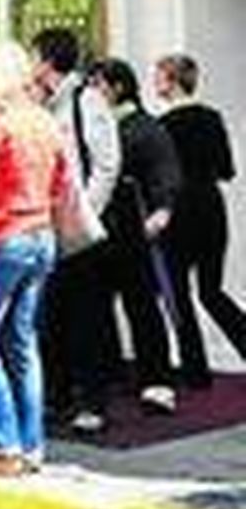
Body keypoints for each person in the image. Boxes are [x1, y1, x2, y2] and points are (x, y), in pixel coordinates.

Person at [0, 39, 70, 476]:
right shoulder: (45, 120)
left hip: (4, 237)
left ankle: (6, 446)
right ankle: (32, 445)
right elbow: (62, 181)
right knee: (22, 343)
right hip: (41, 235)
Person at [32, 27, 122, 436]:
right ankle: (57, 395)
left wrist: (85, 213)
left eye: (35, 56)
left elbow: (107, 164)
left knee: (89, 316)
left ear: (48, 60)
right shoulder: (43, 106)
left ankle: (93, 400)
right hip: (48, 226)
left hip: (82, 229)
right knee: (53, 316)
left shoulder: (87, 101)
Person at [89, 59, 181, 414]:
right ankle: (107, 374)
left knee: (141, 303)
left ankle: (157, 380)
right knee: (96, 306)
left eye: (99, 84)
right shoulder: (94, 126)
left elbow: (165, 171)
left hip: (132, 226)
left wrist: (162, 210)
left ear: (117, 88)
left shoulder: (144, 128)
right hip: (97, 228)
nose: (93, 92)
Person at [155, 53, 244, 384]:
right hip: (211, 207)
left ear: (173, 81)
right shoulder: (213, 118)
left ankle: (195, 371)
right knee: (211, 291)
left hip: (179, 211)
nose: (156, 82)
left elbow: (162, 177)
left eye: (160, 76)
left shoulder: (163, 127)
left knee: (178, 293)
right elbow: (227, 170)